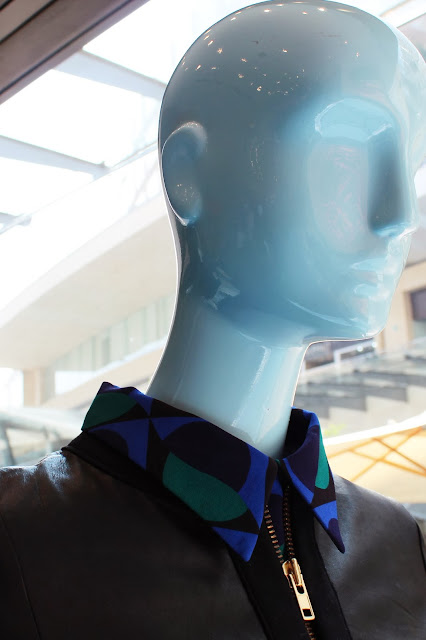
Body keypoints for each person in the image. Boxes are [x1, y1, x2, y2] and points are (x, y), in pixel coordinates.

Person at [1, 2, 425, 638]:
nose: (399, 215)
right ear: (189, 175)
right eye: (346, 149)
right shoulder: (19, 542)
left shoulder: (402, 546)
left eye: (412, 164)